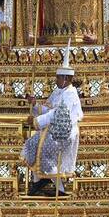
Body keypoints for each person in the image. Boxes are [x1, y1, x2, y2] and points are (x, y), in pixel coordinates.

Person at [21, 40, 83, 196]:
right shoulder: (58, 91)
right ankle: (39, 181)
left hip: (65, 132)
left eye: (58, 78)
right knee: (33, 144)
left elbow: (57, 114)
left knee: (44, 148)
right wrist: (35, 104)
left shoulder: (70, 94)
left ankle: (55, 187)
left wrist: (36, 121)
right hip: (53, 129)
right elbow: (48, 108)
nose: (55, 80)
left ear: (65, 78)